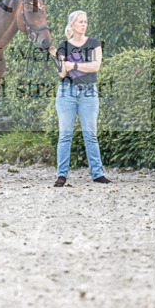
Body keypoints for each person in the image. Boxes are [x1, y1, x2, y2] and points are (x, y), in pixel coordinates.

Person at [49, 10, 111, 187]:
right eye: (80, 22)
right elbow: (62, 72)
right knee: (65, 135)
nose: (84, 24)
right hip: (66, 93)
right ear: (72, 25)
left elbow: (95, 66)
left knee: (90, 135)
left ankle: (97, 174)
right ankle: (61, 175)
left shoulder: (94, 43)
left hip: (89, 93)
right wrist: (57, 58)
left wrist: (74, 64)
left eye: (85, 21)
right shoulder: (63, 46)